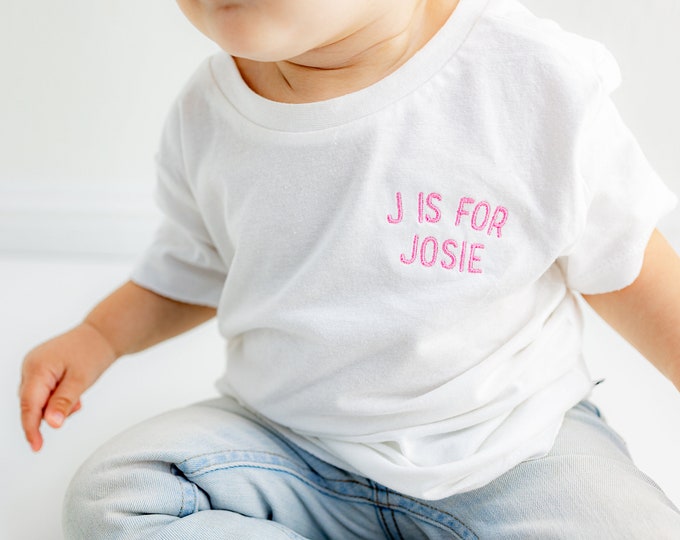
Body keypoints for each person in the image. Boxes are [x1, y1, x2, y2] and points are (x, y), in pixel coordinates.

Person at [19, 0, 680, 537]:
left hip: (512, 448)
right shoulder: (208, 110)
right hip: (290, 451)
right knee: (117, 497)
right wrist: (99, 337)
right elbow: (196, 262)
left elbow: (629, 262)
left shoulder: (528, 77)